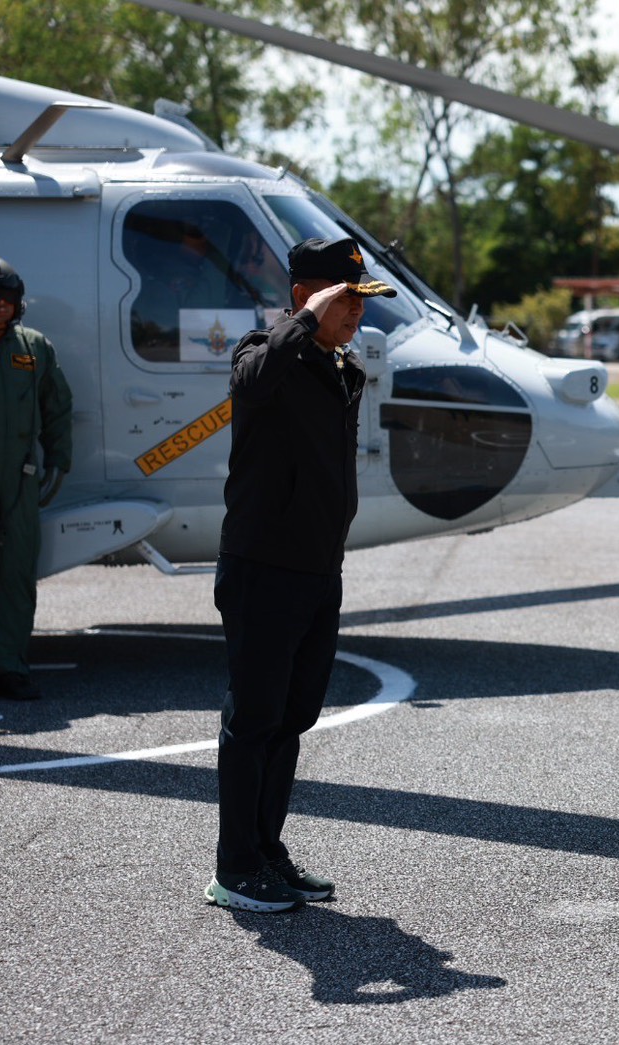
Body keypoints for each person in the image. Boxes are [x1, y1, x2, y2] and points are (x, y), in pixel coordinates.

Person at [205, 237, 395, 913]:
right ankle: (234, 868)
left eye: (361, 300)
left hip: (317, 568)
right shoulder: (264, 351)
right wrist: (307, 319)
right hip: (263, 567)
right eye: (345, 299)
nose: (357, 312)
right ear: (304, 297)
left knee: (292, 717)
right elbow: (251, 383)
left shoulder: (339, 367)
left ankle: (265, 851)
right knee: (254, 718)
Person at [0, 254, 73, 702]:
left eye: (8, 298)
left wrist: (59, 462)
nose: (1, 306)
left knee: (16, 575)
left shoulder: (33, 347)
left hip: (20, 480)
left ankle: (10, 668)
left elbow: (57, 408)